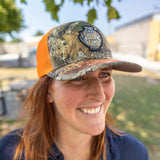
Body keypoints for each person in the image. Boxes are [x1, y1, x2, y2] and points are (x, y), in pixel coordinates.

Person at [0, 21, 149, 160]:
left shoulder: (132, 153)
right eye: (78, 78)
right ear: (47, 92)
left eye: (105, 75)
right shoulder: (11, 151)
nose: (100, 95)